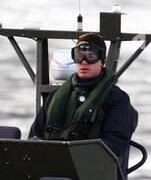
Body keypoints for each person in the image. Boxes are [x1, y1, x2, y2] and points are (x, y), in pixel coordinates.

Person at [29, 32, 138, 169]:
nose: (84, 62)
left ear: (101, 61)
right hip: (50, 166)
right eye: (79, 56)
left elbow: (114, 145)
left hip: (91, 172)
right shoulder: (55, 97)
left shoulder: (116, 100)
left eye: (91, 56)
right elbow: (35, 135)